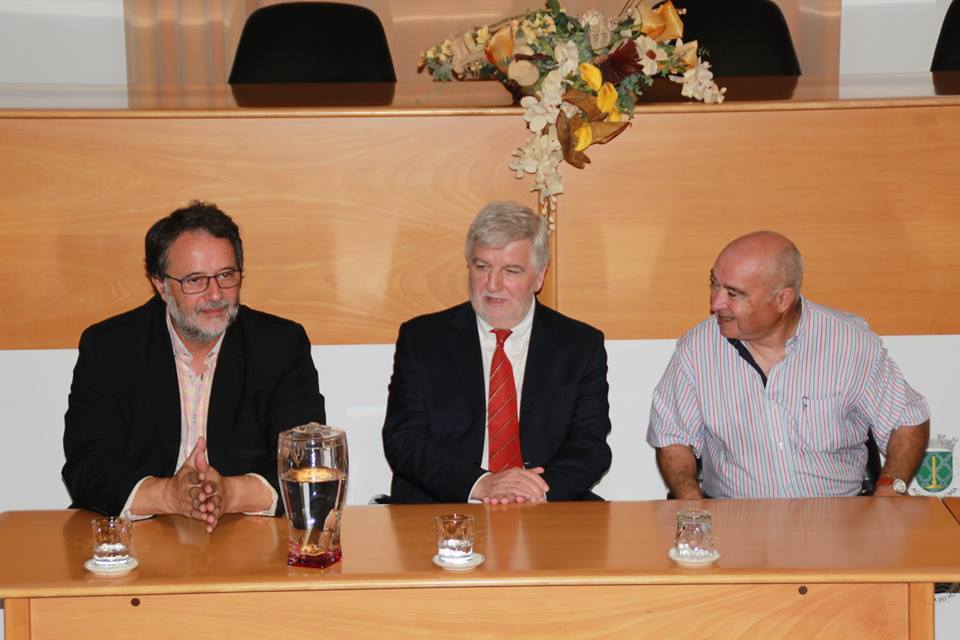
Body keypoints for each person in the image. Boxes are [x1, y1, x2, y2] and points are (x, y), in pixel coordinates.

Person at [63, 201, 325, 530]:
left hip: (245, 536)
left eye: (226, 276)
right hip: (140, 537)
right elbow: (87, 465)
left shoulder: (280, 346)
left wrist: (231, 493)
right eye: (195, 280)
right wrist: (168, 496)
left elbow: (304, 460)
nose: (215, 295)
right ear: (160, 284)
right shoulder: (110, 348)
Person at [647, 231, 930, 499]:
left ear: (783, 299)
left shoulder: (849, 343)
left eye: (733, 293)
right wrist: (691, 502)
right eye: (714, 283)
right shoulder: (697, 350)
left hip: (838, 520)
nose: (715, 303)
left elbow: (907, 419)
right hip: (736, 520)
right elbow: (673, 436)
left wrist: (890, 488)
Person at [382, 201, 612, 504]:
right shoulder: (422, 339)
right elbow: (404, 440)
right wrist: (482, 484)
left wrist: (531, 491)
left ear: (539, 276)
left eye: (511, 270)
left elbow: (590, 445)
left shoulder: (579, 345)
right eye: (482, 267)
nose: (492, 284)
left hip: (542, 506)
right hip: (447, 508)